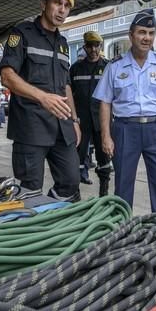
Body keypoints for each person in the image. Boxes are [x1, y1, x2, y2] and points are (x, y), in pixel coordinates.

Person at [93, 8, 156, 214]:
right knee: (123, 183)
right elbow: (105, 103)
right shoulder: (115, 67)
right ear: (131, 35)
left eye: (151, 33)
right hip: (125, 130)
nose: (147, 38)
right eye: (142, 32)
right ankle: (122, 227)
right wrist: (106, 136)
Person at [0, 0, 81, 201]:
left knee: (71, 181)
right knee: (30, 190)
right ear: (44, 4)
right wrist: (42, 97)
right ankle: (37, 228)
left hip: (62, 128)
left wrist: (74, 120)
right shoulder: (22, 34)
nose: (62, 10)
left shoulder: (63, 43)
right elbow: (7, 76)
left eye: (66, 6)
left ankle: (50, 210)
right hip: (30, 126)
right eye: (57, 3)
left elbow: (66, 86)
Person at [69, 31, 112, 196]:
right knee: (76, 160)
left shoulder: (108, 67)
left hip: (102, 122)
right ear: (84, 47)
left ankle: (104, 196)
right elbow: (69, 94)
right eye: (89, 46)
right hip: (81, 122)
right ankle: (75, 194)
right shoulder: (75, 69)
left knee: (104, 160)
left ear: (100, 46)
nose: (93, 49)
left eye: (96, 46)